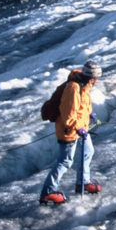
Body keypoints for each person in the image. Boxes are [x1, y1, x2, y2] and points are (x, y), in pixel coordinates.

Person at [39, 61, 102, 204]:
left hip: (81, 128)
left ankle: (83, 182)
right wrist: (77, 127)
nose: (96, 81)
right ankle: (48, 192)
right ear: (92, 77)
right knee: (64, 161)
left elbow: (82, 105)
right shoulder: (73, 88)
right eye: (96, 77)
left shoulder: (84, 86)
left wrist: (90, 114)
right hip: (69, 130)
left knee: (88, 151)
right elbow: (68, 115)